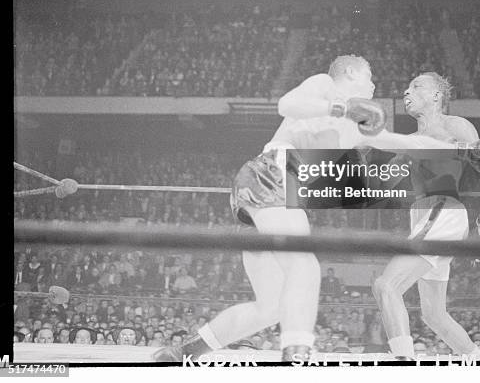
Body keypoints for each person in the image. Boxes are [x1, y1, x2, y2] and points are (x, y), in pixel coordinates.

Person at [154, 55, 386, 362]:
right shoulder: (326, 85)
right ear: (352, 72)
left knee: (271, 306)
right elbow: (288, 104)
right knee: (303, 263)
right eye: (370, 76)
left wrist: (462, 150)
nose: (373, 84)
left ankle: (183, 351)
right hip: (274, 173)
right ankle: (297, 353)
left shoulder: (354, 125)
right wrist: (342, 108)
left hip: (272, 190)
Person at [365, 72, 480, 360]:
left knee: (385, 285)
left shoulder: (455, 127)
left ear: (436, 95)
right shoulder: (410, 143)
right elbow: (378, 186)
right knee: (434, 315)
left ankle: (403, 364)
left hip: (443, 215)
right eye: (406, 87)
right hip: (423, 220)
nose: (407, 91)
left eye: (415, 85)